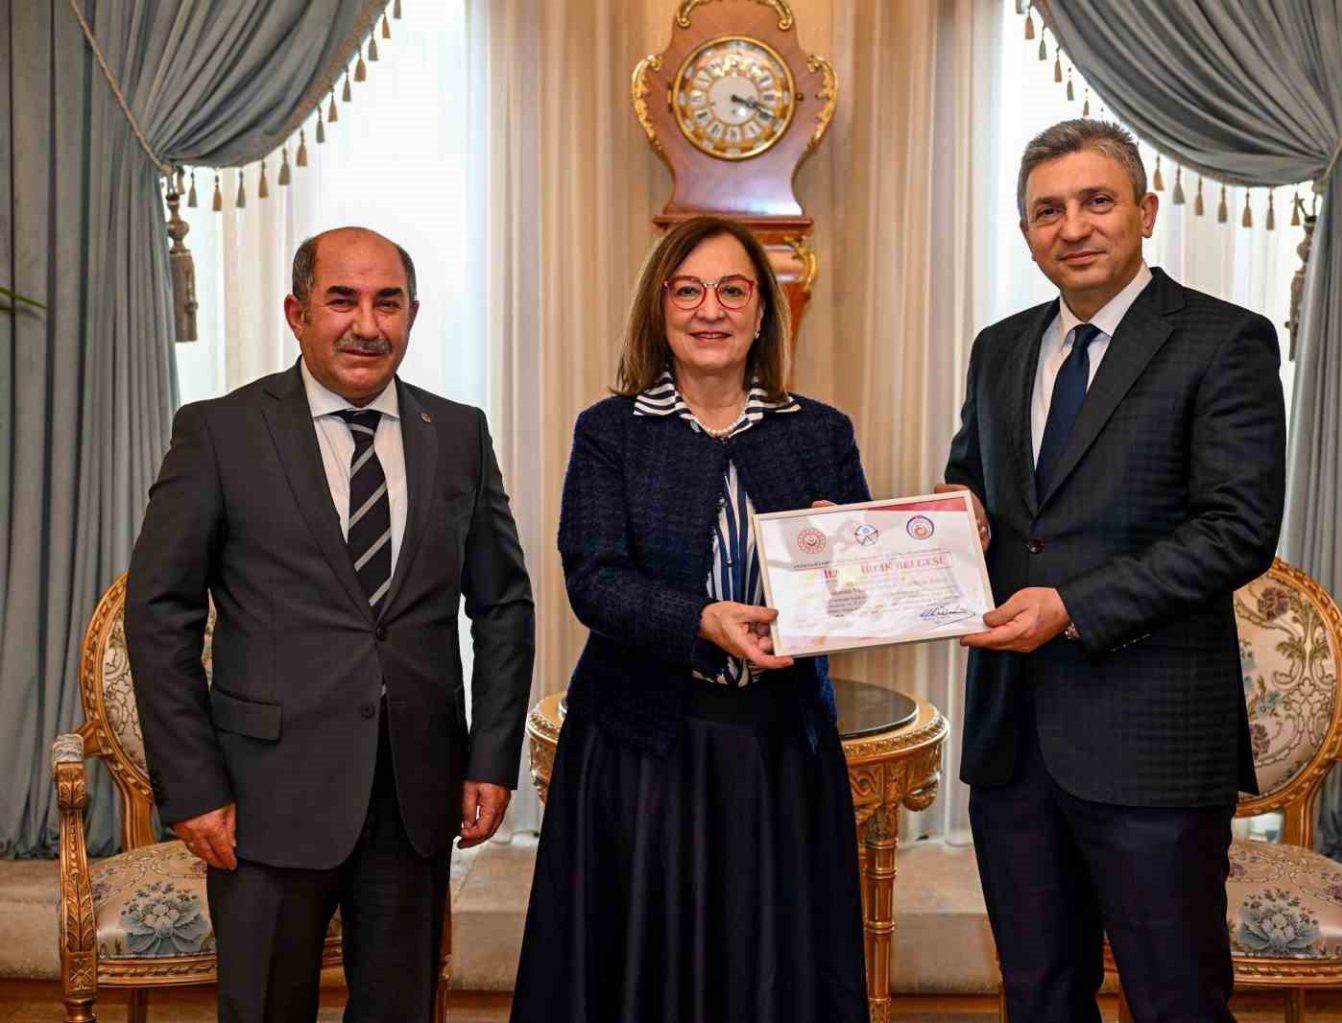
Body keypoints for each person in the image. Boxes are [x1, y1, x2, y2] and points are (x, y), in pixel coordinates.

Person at [126, 227, 535, 1022]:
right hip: (262, 800)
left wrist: (491, 757)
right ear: (298, 312)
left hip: (415, 798)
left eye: (388, 303)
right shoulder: (220, 432)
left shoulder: (458, 433)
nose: (367, 325)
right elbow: (160, 612)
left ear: (413, 313)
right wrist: (194, 784)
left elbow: (503, 604)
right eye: (342, 300)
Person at [942, 119, 1286, 1022]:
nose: (1073, 227)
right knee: (1039, 994)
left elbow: (1236, 530)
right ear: (1026, 232)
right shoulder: (999, 347)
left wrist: (1073, 605)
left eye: (1097, 201)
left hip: (1152, 742)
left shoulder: (1224, 340)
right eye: (1047, 211)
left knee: (1176, 998)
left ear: (1146, 210)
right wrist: (955, 508)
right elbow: (973, 474)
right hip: (1013, 741)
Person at [511, 215, 870, 1023]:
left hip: (780, 750)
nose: (711, 310)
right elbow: (593, 580)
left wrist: (846, 556)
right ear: (660, 306)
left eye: (733, 290)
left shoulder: (821, 432)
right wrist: (702, 617)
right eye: (689, 290)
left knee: (775, 974)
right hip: (641, 749)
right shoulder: (610, 431)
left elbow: (857, 592)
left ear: (762, 311)